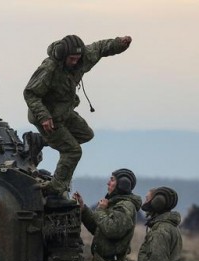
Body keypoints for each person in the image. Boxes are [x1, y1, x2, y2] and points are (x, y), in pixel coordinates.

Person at [24, 34, 132, 197]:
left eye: (77, 58)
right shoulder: (50, 68)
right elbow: (30, 93)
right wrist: (44, 116)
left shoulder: (83, 58)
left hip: (64, 111)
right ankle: (56, 187)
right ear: (63, 55)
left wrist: (120, 43)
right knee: (73, 151)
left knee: (86, 134)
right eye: (71, 59)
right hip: (47, 117)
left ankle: (40, 140)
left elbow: (101, 47)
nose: (75, 62)